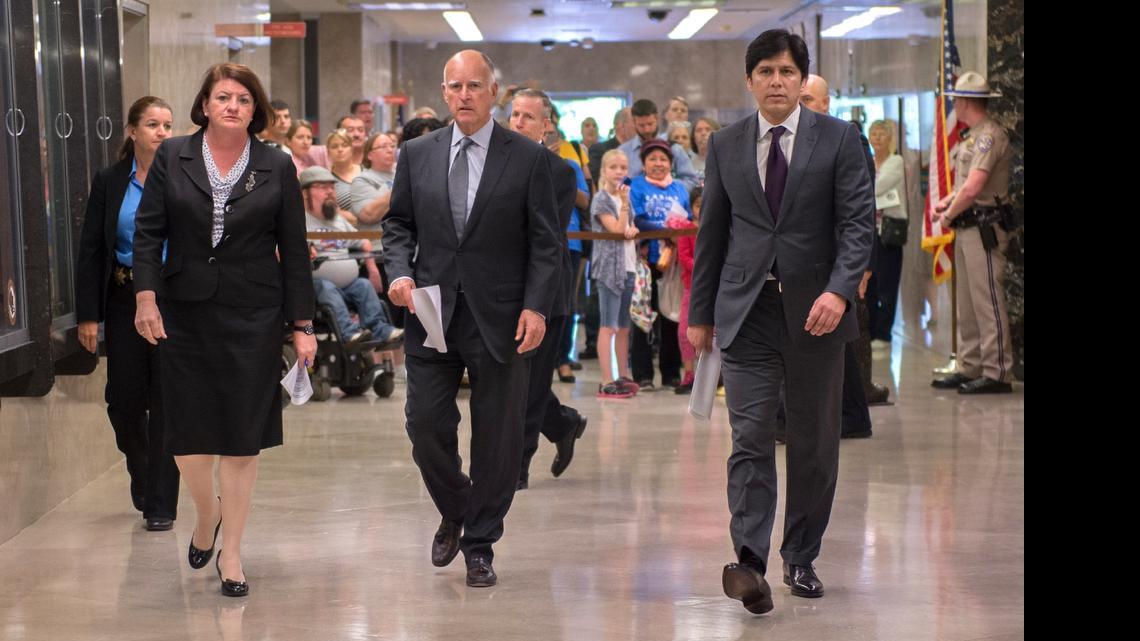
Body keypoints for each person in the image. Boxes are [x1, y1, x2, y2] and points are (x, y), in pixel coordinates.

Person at [687, 30, 873, 614]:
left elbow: (857, 225)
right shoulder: (726, 144)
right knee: (749, 439)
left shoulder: (839, 139)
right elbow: (712, 232)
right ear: (749, 81)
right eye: (765, 71)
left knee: (813, 443)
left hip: (817, 316)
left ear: (801, 80)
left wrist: (839, 292)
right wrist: (699, 314)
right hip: (747, 313)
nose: (776, 81)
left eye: (787, 72)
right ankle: (749, 564)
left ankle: (801, 556)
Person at [132, 63, 317, 598]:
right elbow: (148, 233)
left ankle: (231, 552)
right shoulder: (174, 155)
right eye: (223, 97)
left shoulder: (275, 164)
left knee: (240, 438)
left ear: (255, 109)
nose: (233, 106)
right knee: (188, 438)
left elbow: (294, 249)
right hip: (184, 311)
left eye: (243, 98)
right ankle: (206, 513)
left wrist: (302, 324)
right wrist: (145, 295)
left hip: (253, 314)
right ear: (205, 105)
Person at [382, 50, 560, 588]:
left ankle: (480, 544)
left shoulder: (526, 157)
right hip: (430, 312)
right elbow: (398, 226)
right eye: (455, 86)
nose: (464, 95)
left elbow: (546, 243)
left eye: (475, 86)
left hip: (502, 317)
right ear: (444, 92)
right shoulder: (417, 153)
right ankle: (457, 507)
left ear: (494, 92)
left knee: (498, 439)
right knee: (425, 426)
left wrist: (535, 306)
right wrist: (399, 273)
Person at [75, 96, 181, 532]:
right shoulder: (110, 180)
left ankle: (160, 504)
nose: (162, 132)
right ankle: (143, 470)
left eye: (168, 125)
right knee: (123, 401)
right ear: (132, 131)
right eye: (153, 124)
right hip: (123, 298)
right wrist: (88, 314)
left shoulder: (183, 178)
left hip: (173, 301)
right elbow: (92, 248)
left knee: (168, 401)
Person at [509, 88, 589, 489]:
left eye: (528, 117)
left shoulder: (560, 172)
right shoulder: (492, 164)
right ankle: (563, 424)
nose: (519, 123)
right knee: (511, 383)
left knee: (532, 384)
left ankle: (517, 469)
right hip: (501, 289)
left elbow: (541, 235)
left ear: (546, 125)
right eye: (515, 115)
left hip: (545, 291)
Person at [930, 71, 1015, 395]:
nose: (954, 103)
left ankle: (997, 372)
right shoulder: (972, 136)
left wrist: (947, 214)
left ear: (966, 102)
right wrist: (948, 203)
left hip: (985, 228)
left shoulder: (988, 136)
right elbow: (964, 187)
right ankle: (970, 365)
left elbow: (975, 187)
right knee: (966, 304)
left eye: (956, 99)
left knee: (987, 301)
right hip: (968, 227)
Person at [301, 166, 402, 345]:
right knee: (326, 287)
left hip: (348, 284)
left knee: (364, 285)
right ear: (305, 193)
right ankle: (349, 334)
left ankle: (381, 330)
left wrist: (372, 270)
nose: (330, 192)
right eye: (323, 187)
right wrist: (305, 249)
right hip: (315, 286)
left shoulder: (337, 220)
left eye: (332, 187)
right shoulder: (299, 220)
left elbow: (364, 242)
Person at [629, 138, 691, 390]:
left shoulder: (679, 189)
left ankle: (670, 372)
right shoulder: (635, 186)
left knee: (671, 317)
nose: (658, 163)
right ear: (643, 163)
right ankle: (642, 374)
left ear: (670, 163)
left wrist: (678, 229)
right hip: (646, 262)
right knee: (643, 316)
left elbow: (688, 219)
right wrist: (666, 228)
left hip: (674, 263)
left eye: (663, 159)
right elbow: (638, 219)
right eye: (652, 159)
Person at [590, 149, 641, 398]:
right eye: (614, 167)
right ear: (604, 171)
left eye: (623, 167)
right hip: (609, 269)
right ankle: (606, 380)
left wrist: (633, 228)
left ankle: (623, 375)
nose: (619, 172)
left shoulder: (624, 199)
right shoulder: (601, 199)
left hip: (628, 266)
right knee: (608, 325)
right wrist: (624, 207)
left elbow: (630, 227)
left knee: (623, 327)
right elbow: (617, 230)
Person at [866, 119, 908, 348]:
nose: (878, 138)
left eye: (882, 134)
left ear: (890, 138)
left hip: (889, 232)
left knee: (887, 284)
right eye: (874, 134)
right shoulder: (869, 161)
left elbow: (875, 188)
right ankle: (871, 331)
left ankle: (884, 334)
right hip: (871, 231)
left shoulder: (896, 162)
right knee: (870, 283)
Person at [619, 99, 700, 191]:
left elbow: (692, 181)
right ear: (634, 123)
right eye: (641, 125)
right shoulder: (623, 152)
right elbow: (616, 182)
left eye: (650, 124)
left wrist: (669, 187)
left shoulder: (674, 149)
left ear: (657, 119)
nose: (647, 130)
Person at [670, 185, 701, 395]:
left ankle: (716, 376)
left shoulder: (718, 226)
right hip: (692, 286)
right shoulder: (686, 228)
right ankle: (689, 373)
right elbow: (684, 257)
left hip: (717, 287)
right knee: (684, 330)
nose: (702, 209)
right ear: (691, 208)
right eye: (698, 205)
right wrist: (704, 268)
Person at [349, 132, 398, 233]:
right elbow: (369, 215)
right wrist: (401, 186)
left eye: (392, 146)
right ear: (370, 155)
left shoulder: (401, 173)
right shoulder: (362, 180)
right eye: (383, 147)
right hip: (379, 239)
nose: (390, 150)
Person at [587, 107, 633, 194]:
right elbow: (596, 182)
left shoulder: (640, 151)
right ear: (621, 126)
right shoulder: (599, 150)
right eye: (634, 121)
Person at [325, 128, 362, 220]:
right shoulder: (326, 181)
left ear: (351, 149)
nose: (340, 149)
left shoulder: (366, 171)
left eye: (344, 145)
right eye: (334, 147)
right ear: (328, 152)